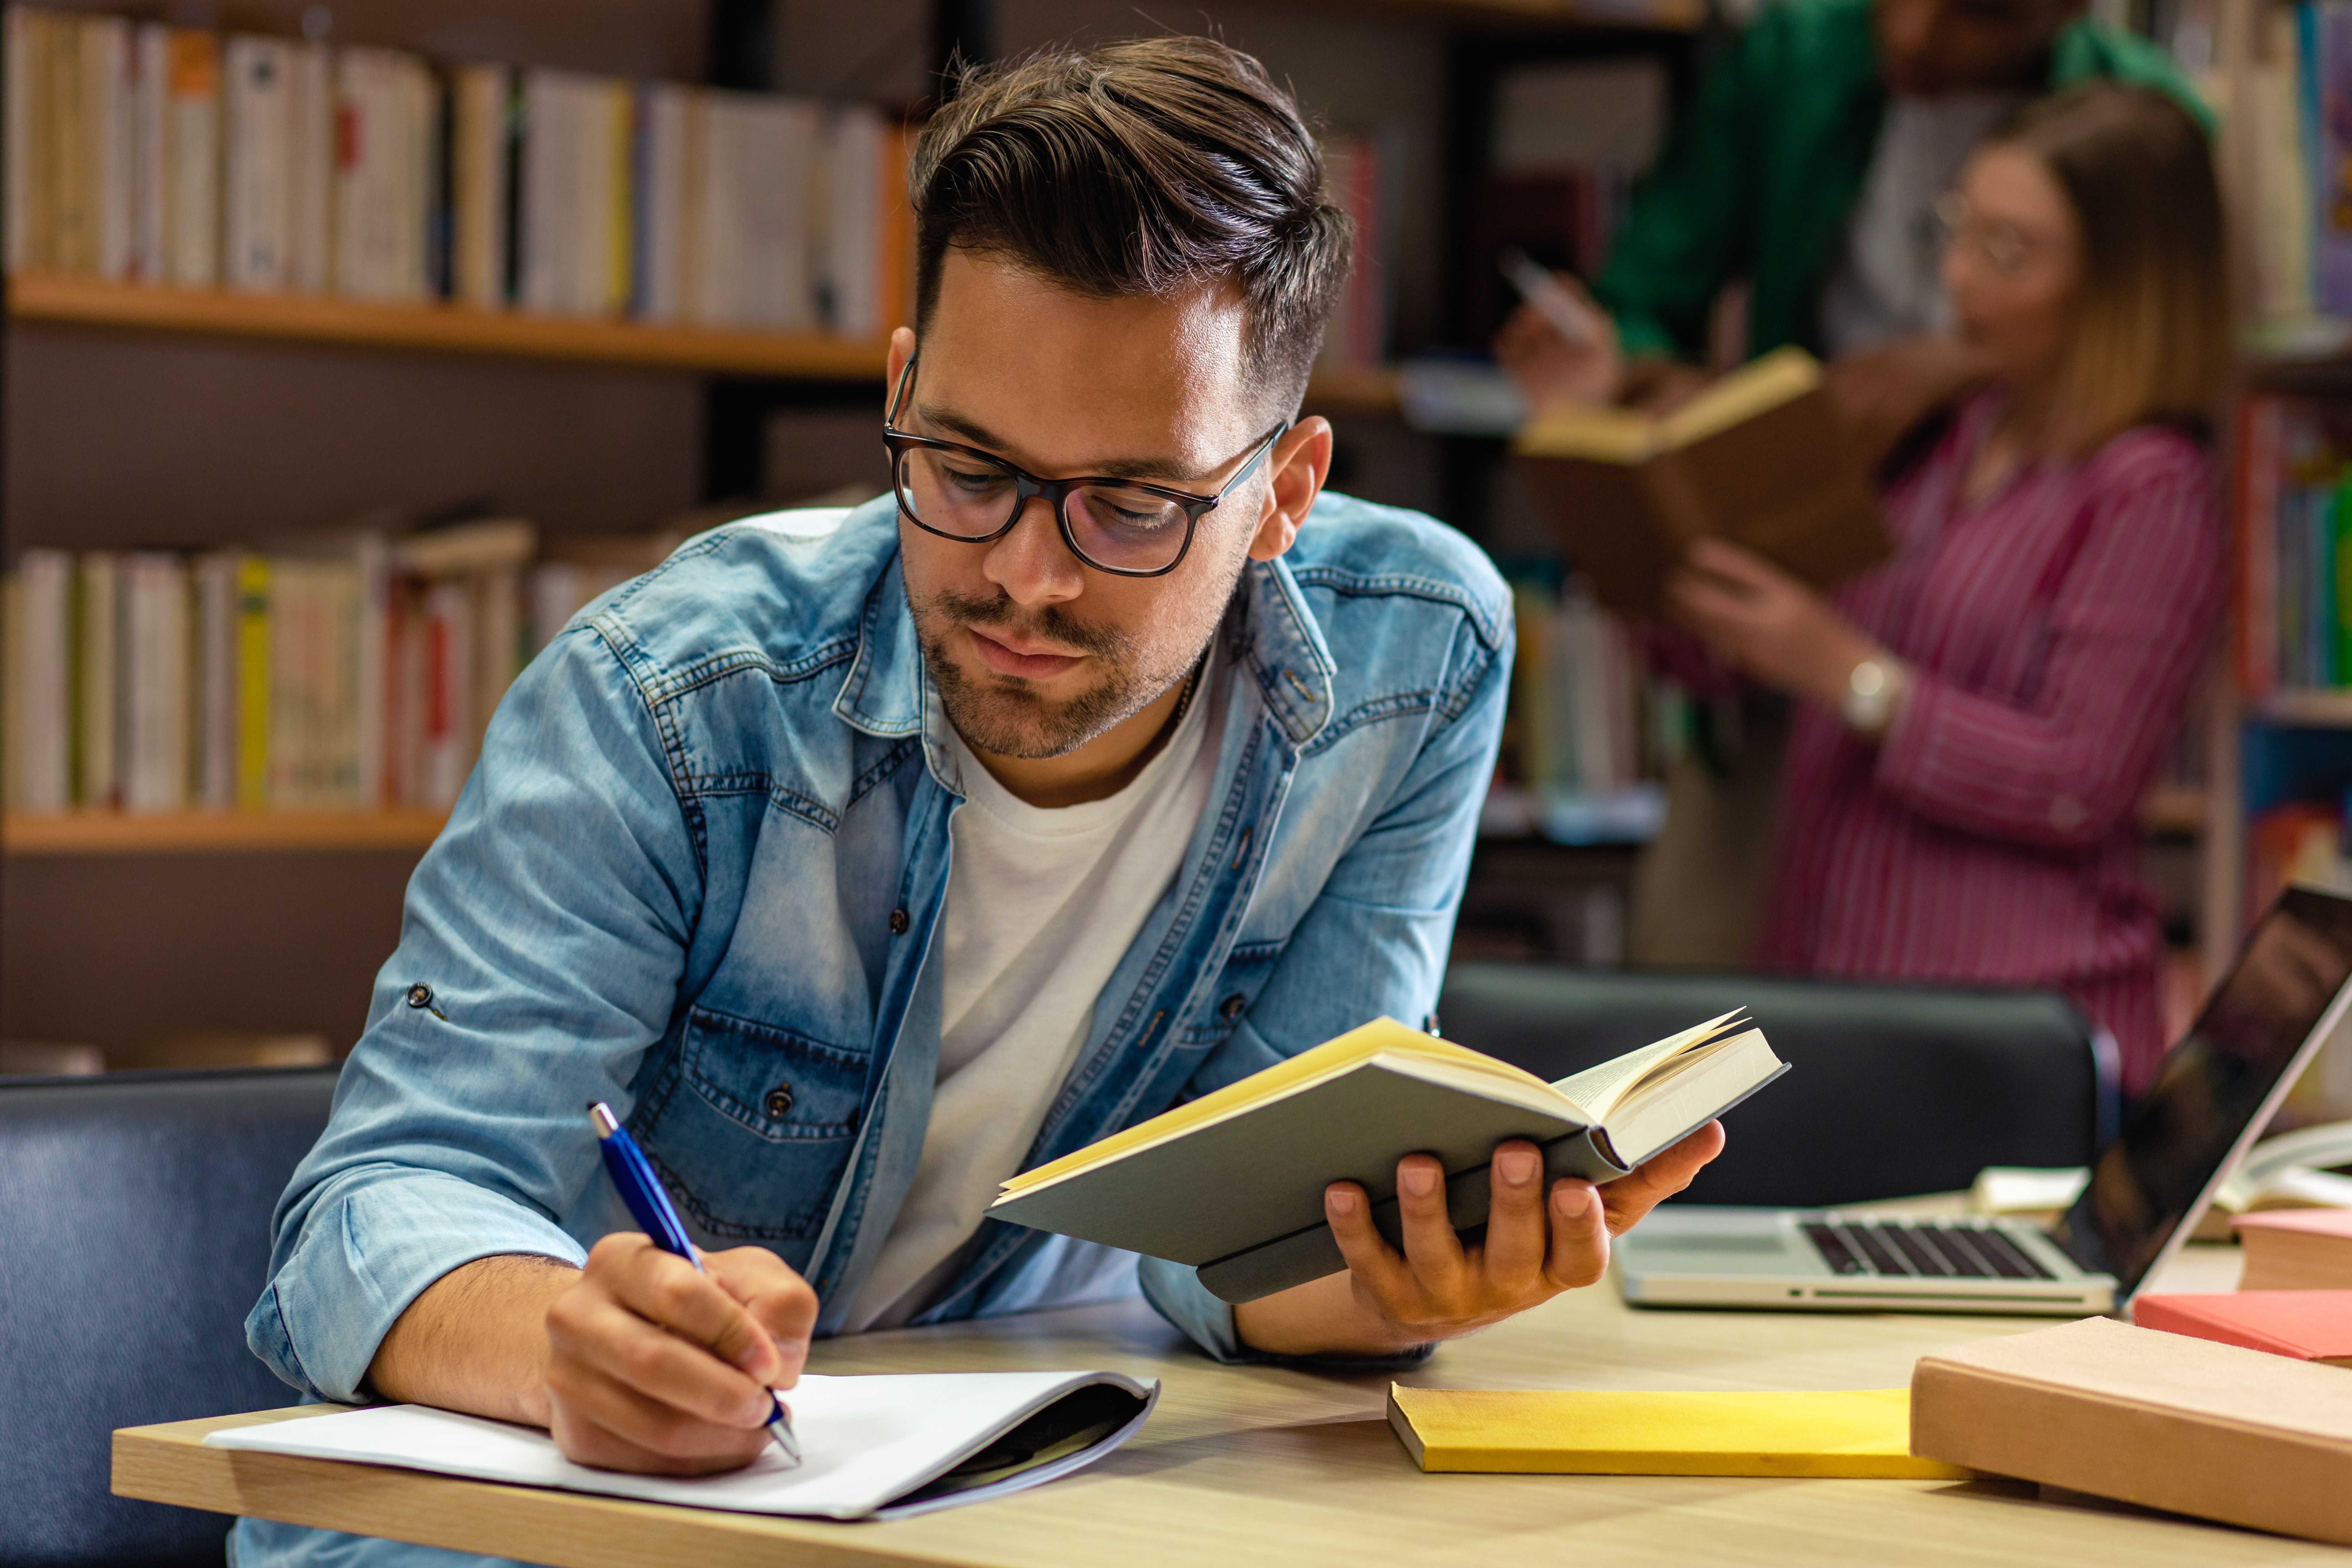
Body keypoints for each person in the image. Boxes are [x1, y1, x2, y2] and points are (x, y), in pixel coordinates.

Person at [234, 37, 1723, 1568]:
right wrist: (566, 1340)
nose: (1025, 572)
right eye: (963, 466)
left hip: (998, 1495)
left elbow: (1237, 1242)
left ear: (1283, 490)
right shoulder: (669, 699)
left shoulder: (1413, 663)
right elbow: (375, 1208)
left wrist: (1391, 1279)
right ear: (899, 388)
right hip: (534, 1526)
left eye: (1131, 504)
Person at [1657, 84, 2229, 1095]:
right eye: (1957, 231)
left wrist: (1849, 676)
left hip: (2008, 1039)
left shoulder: (2148, 486)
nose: (1958, 277)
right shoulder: (1939, 438)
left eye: (2009, 253)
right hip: (1832, 1002)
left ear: (2119, 285)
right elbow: (1739, 655)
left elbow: (2079, 781)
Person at [1495, 0, 2207, 464]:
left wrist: (1972, 369)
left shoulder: (2135, 120)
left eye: (1975, 13)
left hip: (2030, 492)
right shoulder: (1793, 57)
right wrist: (1678, 396)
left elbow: (2166, 348)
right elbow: (1644, 297)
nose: (1911, 33)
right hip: (1809, 474)